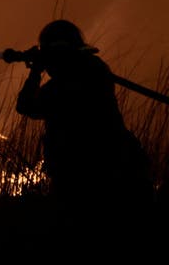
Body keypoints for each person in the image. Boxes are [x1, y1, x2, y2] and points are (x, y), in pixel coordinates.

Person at [15, 19, 152, 210]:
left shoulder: (65, 86)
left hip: (86, 180)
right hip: (123, 169)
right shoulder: (95, 69)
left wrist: (35, 72)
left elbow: (25, 106)